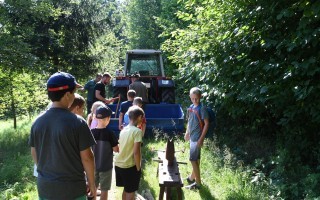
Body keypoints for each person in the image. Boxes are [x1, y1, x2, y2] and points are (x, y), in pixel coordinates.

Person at [28, 72, 97, 199]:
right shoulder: (78, 122)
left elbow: (34, 153)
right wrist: (92, 184)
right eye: (74, 92)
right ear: (67, 95)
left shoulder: (37, 122)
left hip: (45, 188)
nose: (75, 95)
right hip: (72, 190)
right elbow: (87, 157)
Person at [115, 105, 144, 200]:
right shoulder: (137, 131)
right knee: (131, 192)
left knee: (126, 189)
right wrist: (138, 167)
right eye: (142, 118)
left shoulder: (123, 130)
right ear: (139, 117)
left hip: (118, 165)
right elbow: (136, 152)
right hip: (129, 167)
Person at [91, 105, 119, 200]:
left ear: (96, 118)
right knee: (104, 190)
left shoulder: (91, 132)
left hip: (93, 166)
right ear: (107, 118)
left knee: (93, 188)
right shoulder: (110, 133)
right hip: (106, 167)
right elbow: (116, 149)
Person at [184, 87, 209, 190]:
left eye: (197, 99)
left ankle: (197, 184)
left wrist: (201, 139)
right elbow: (189, 121)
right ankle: (191, 178)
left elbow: (206, 124)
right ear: (190, 97)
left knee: (193, 160)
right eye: (193, 98)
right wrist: (187, 132)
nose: (195, 100)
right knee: (196, 159)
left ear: (200, 97)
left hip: (197, 138)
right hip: (192, 137)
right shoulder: (191, 107)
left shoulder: (202, 108)